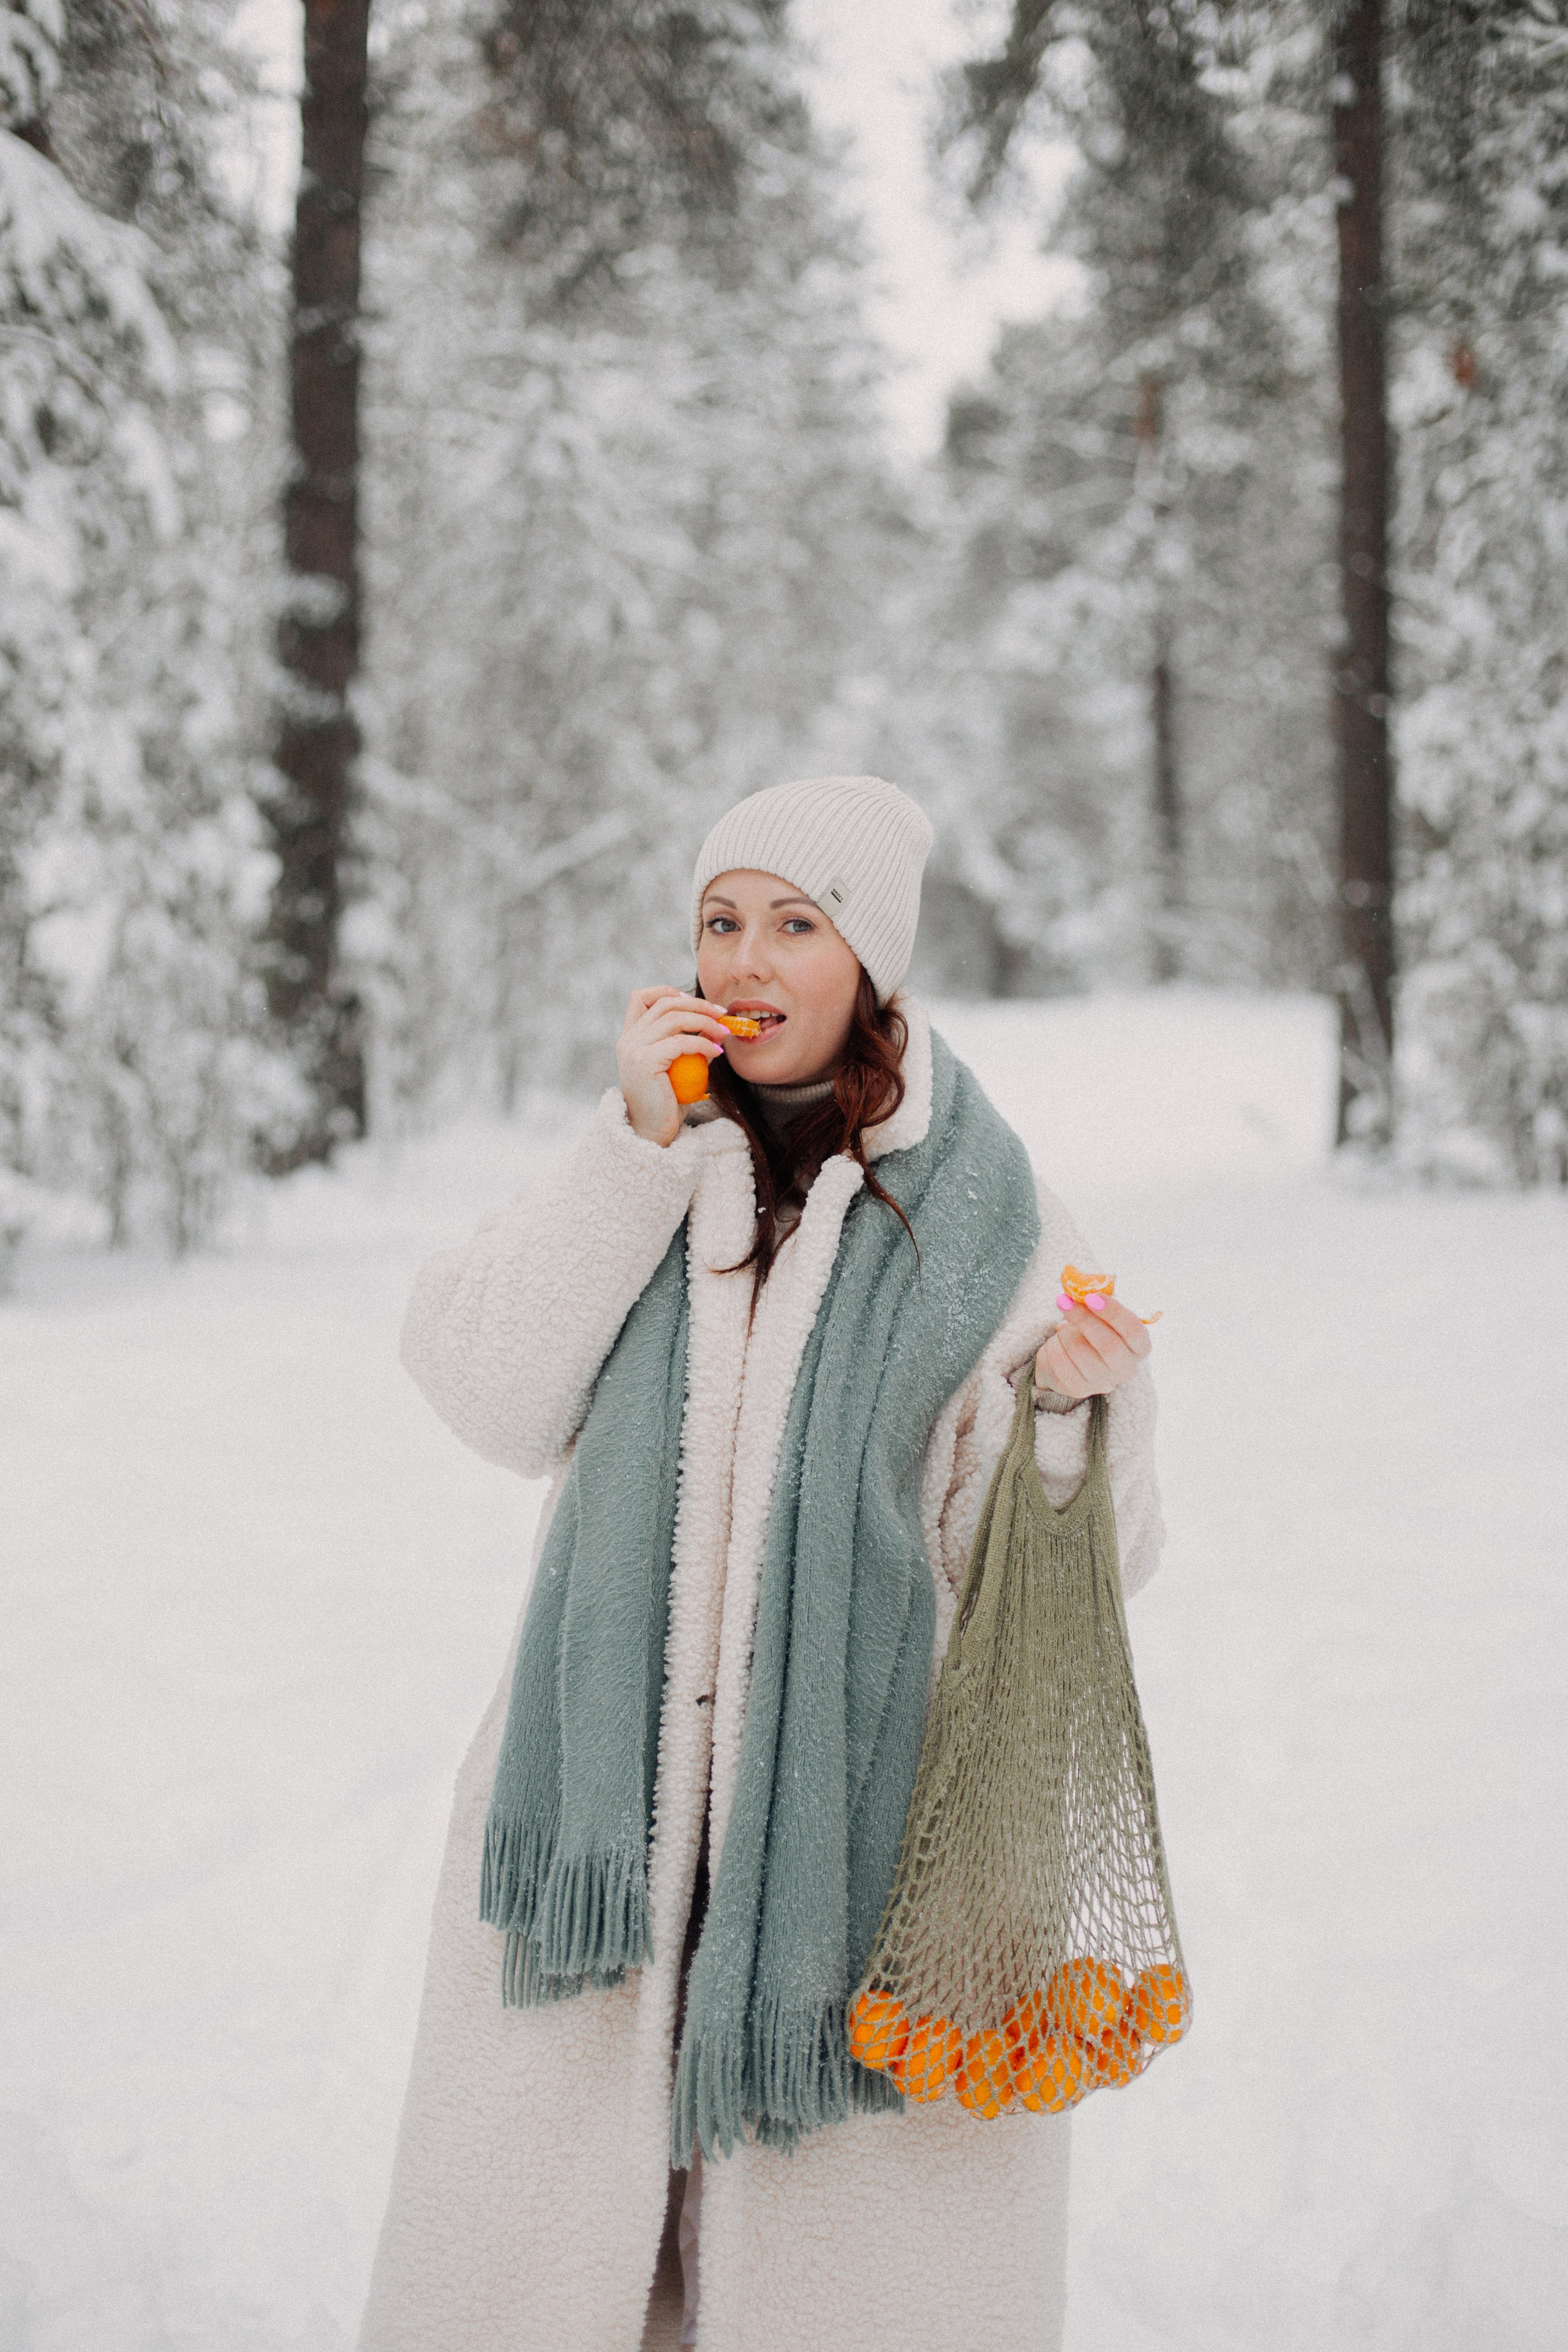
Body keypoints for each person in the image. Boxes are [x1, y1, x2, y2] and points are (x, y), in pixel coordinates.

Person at [358, 775, 1163, 2352]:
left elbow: (1088, 1572)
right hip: (615, 1831)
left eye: (796, 924)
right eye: (720, 920)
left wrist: (1068, 1418)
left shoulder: (992, 1220)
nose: (746, 960)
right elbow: (487, 1388)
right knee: (582, 2272)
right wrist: (628, 1153)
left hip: (859, 1848)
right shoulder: (651, 1161)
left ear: (870, 961)